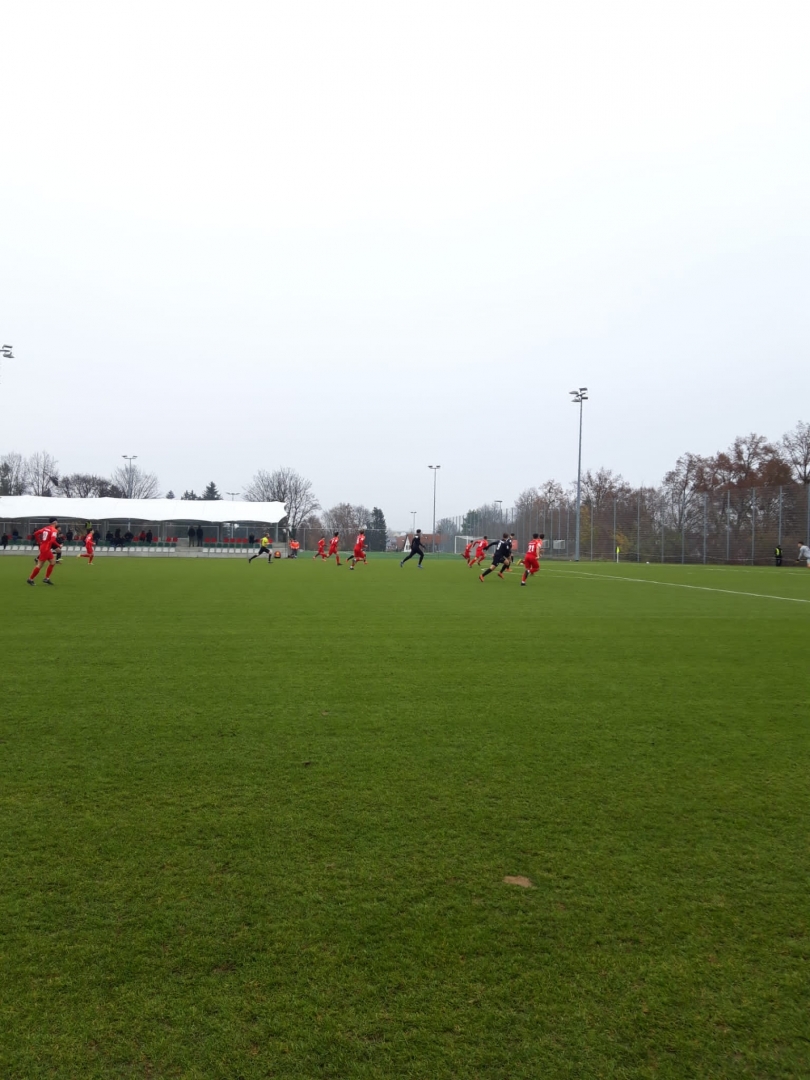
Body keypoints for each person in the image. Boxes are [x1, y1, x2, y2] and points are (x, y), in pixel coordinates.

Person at [27, 517, 60, 586]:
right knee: (40, 565)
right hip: (46, 548)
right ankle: (30, 579)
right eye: (57, 522)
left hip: (44, 547)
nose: (57, 523)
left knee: (53, 562)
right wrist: (58, 545)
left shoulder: (46, 528)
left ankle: (46, 578)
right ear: (55, 522)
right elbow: (53, 540)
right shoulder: (54, 530)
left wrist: (39, 542)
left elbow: (36, 533)